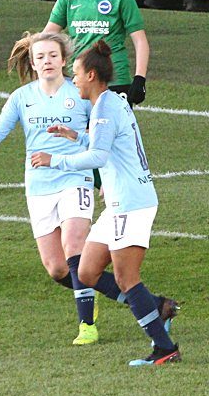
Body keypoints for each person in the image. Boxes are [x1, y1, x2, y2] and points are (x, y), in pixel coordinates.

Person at [30, 41, 179, 366]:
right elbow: (104, 143)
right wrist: (75, 136)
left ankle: (164, 348)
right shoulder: (110, 103)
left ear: (92, 75)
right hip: (118, 204)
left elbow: (98, 156)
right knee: (86, 271)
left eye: (77, 74)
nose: (73, 79)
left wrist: (53, 159)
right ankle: (158, 307)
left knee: (127, 279)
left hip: (131, 204)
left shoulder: (104, 108)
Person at [0, 32, 102, 345]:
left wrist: (104, 179)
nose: (47, 62)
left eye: (53, 56)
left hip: (74, 177)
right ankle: (91, 292)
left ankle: (87, 325)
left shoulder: (79, 93)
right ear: (33, 63)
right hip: (39, 185)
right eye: (40, 57)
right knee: (56, 268)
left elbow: (100, 138)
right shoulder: (21, 97)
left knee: (73, 245)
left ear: (64, 60)